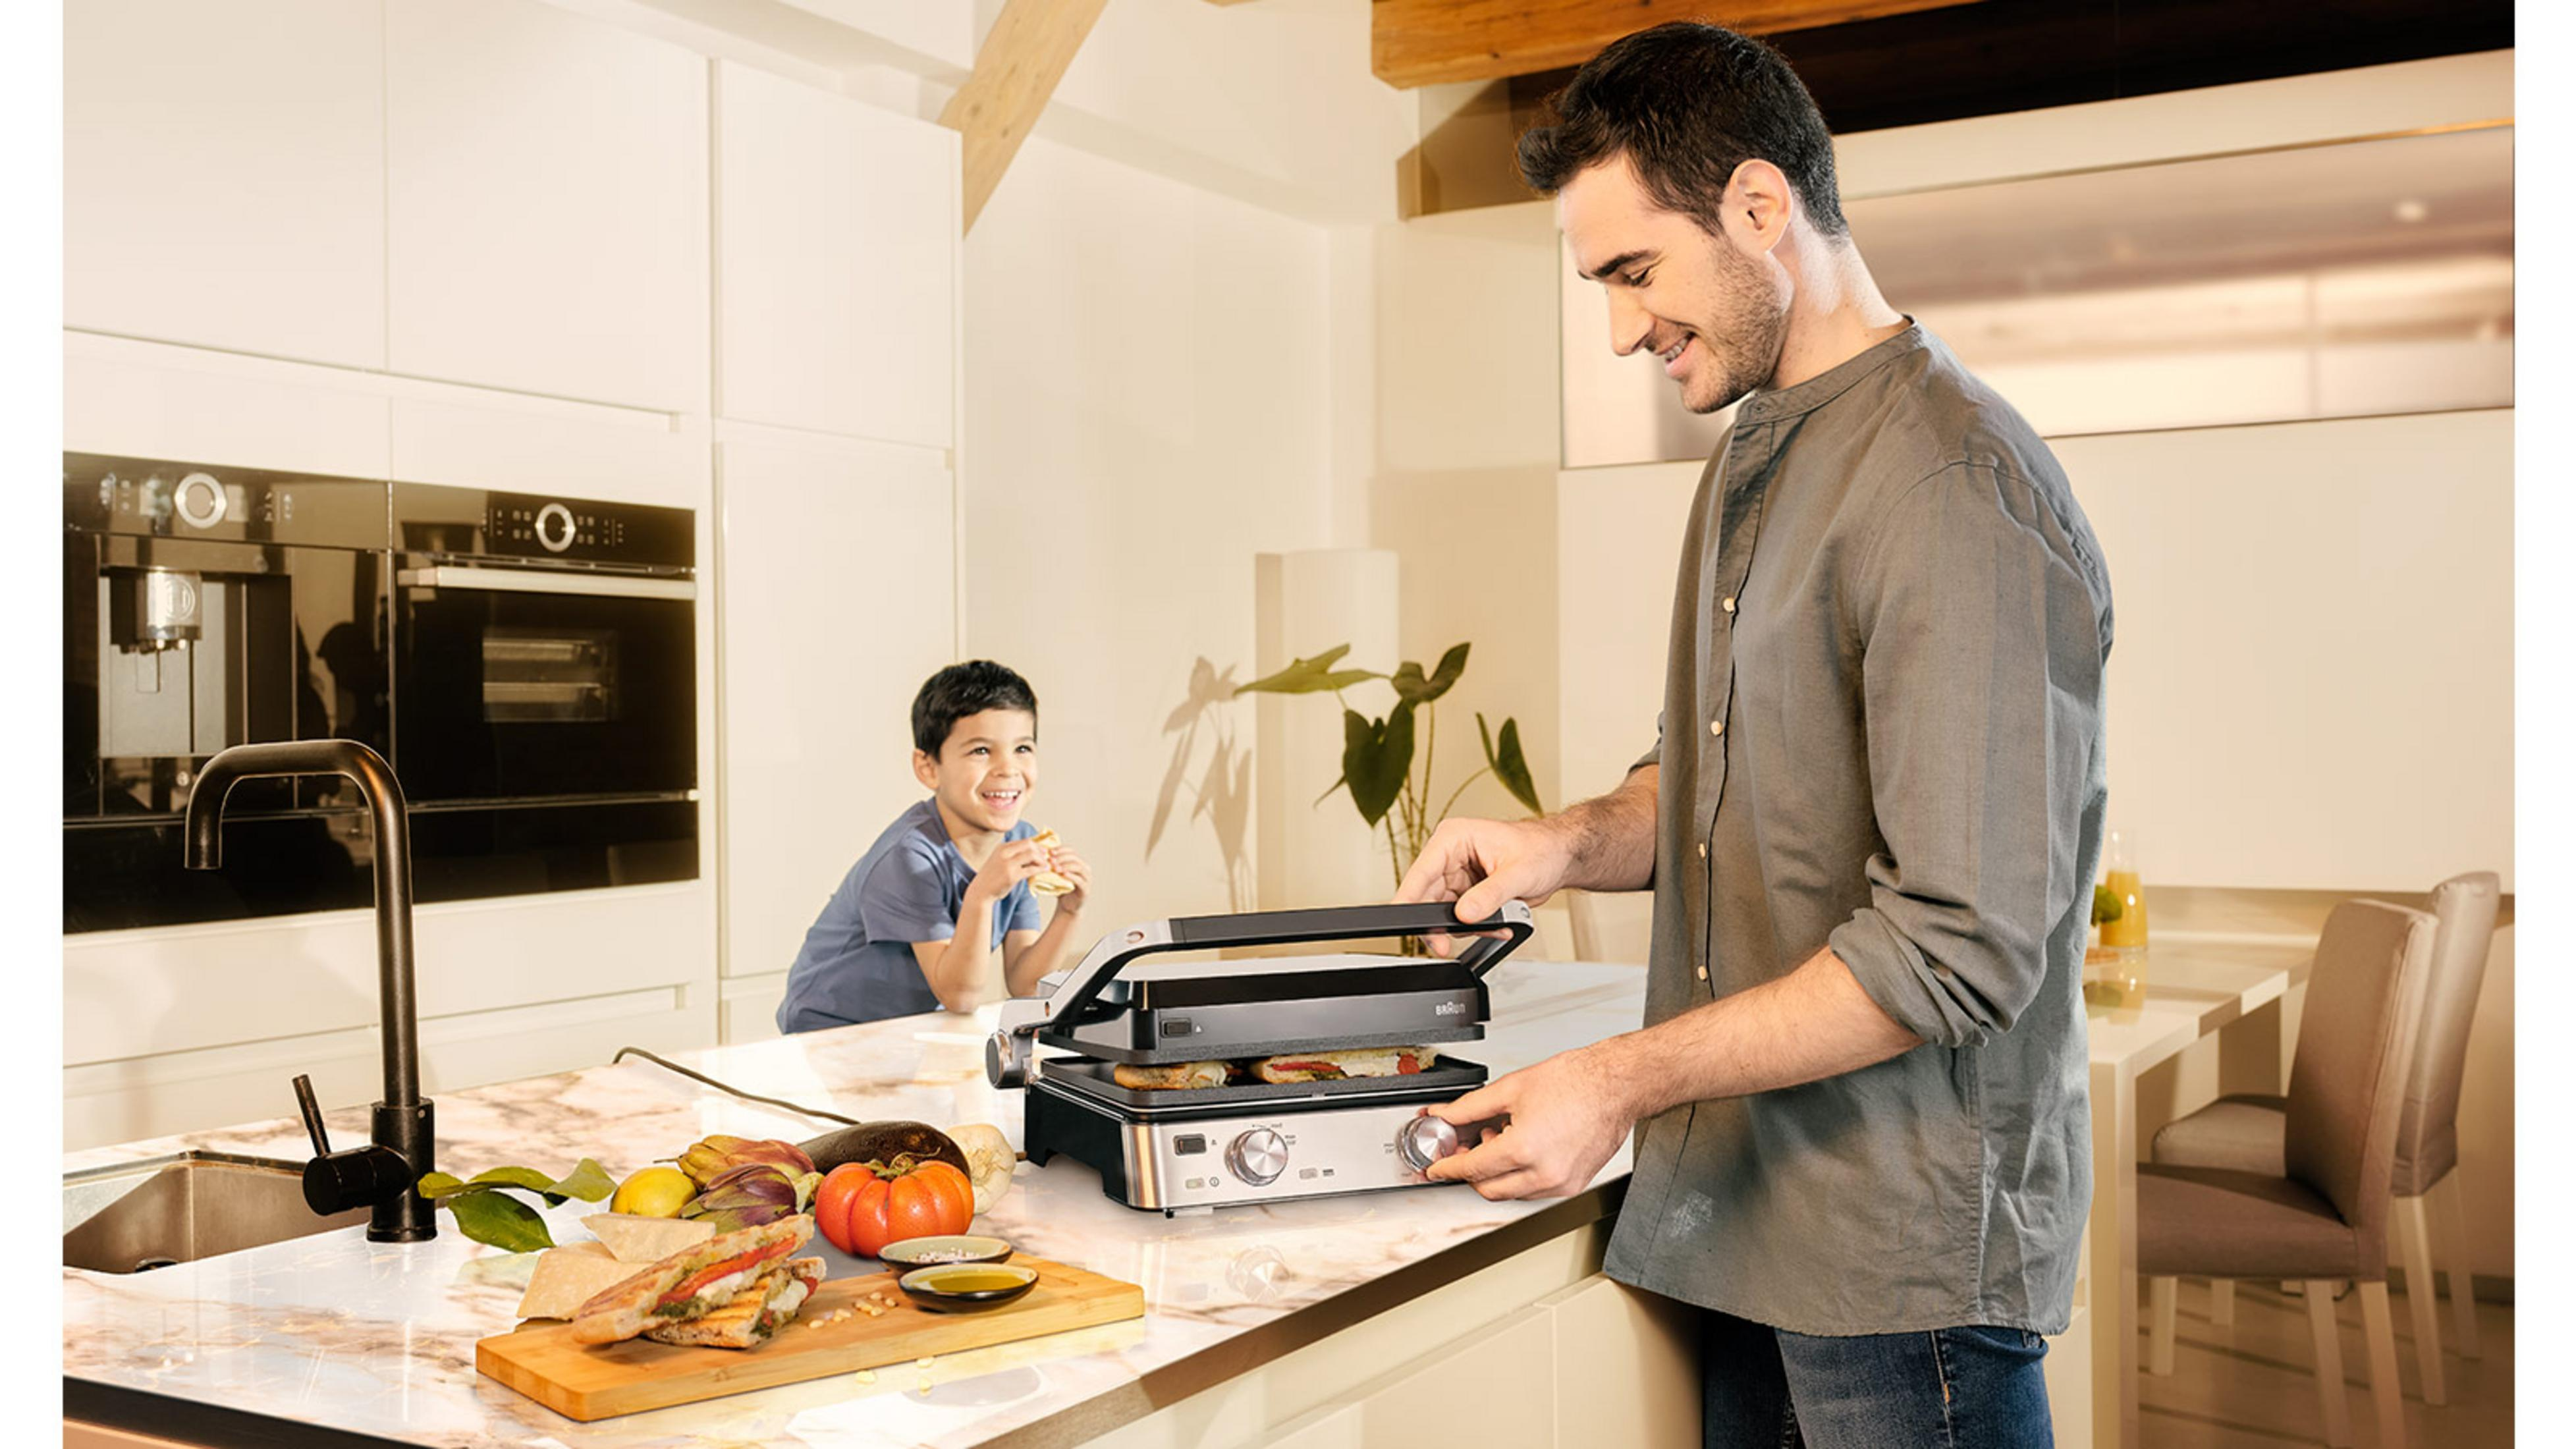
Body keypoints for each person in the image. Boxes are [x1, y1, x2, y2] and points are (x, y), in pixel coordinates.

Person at [1394, 22, 2114, 1447]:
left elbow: (1953, 946)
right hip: (1744, 1221)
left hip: (1895, 1273)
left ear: (1756, 208)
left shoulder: (1949, 486)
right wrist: (1551, 846)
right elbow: (1708, 786)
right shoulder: (1753, 452)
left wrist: (1613, 1075)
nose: (1616, 329)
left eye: (1631, 273)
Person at [775, 661, 1093, 1033]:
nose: (1008, 769)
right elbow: (960, 996)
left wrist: (1069, 913)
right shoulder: (910, 856)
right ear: (929, 769)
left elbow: (1024, 984)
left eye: (1022, 748)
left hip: (909, 1027)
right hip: (828, 1027)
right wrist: (982, 896)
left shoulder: (1020, 841)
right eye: (980, 751)